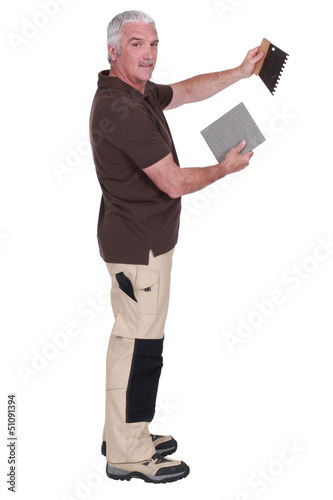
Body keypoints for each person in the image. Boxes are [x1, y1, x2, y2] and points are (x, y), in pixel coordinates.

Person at [89, 10, 263, 484]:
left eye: (154, 44)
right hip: (138, 249)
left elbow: (184, 92)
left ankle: (126, 432)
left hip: (143, 245)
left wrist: (239, 72)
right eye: (137, 45)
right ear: (114, 51)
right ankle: (128, 452)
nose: (148, 54)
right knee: (140, 348)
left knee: (134, 342)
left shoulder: (135, 91)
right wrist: (223, 169)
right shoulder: (120, 110)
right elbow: (171, 182)